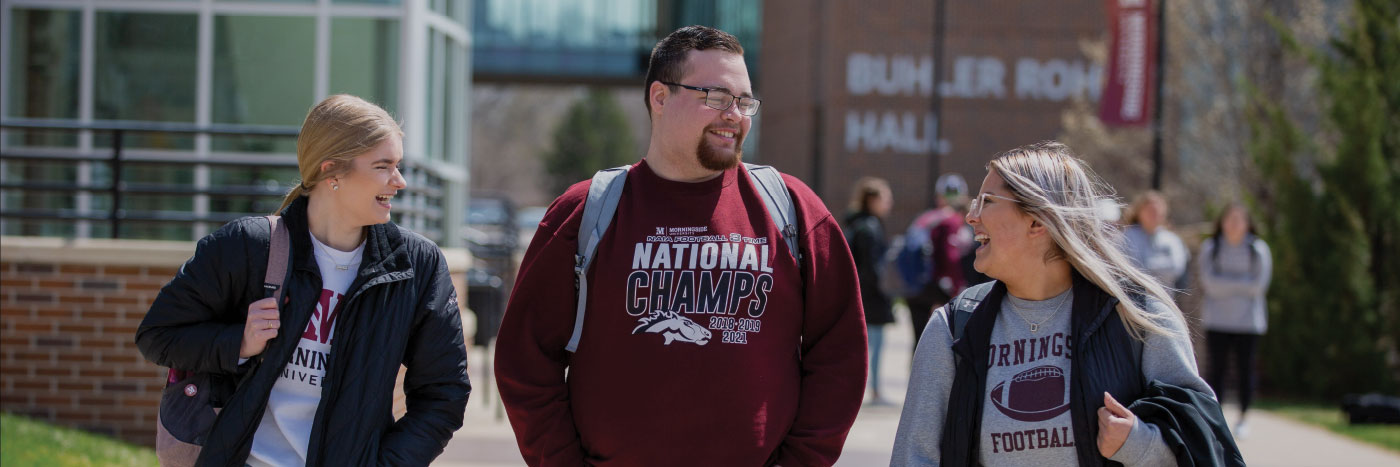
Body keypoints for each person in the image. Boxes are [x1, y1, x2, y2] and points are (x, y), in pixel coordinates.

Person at [494, 25, 867, 466]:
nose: (735, 114)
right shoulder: (585, 212)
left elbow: (840, 354)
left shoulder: (793, 210)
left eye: (745, 102)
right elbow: (525, 360)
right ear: (660, 97)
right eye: (715, 97)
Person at [135, 95, 471, 465]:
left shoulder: (416, 266)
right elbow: (157, 335)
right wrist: (239, 343)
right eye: (383, 166)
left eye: (398, 165)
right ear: (332, 172)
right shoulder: (248, 247)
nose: (400, 180)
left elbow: (444, 393)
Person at [892, 141, 1238, 466]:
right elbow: (914, 457)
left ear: (1037, 221)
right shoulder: (954, 328)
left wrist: (1138, 442)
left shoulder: (1136, 315)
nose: (971, 217)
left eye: (987, 201)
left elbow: (1202, 439)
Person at [1198, 203, 1272, 438]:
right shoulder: (1211, 248)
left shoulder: (1258, 250)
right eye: (1230, 218)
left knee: (1245, 371)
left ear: (1248, 223)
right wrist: (1242, 284)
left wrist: (1225, 283)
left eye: (1239, 219)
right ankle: (1215, 417)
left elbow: (1258, 287)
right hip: (1217, 321)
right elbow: (1209, 284)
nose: (1234, 224)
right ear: (1221, 222)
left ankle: (1243, 418)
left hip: (1248, 323)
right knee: (1215, 372)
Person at [904, 174, 973, 345]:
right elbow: (950, 257)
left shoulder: (923, 219)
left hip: (913, 285)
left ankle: (914, 371)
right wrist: (958, 287)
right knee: (939, 341)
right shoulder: (951, 220)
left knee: (918, 340)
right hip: (936, 287)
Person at [845, 176, 895, 404]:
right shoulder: (870, 227)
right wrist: (884, 291)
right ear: (872, 200)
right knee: (874, 343)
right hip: (872, 296)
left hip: (857, 293)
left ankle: (860, 388)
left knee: (861, 344)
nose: (889, 204)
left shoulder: (856, 224)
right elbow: (872, 266)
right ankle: (873, 389)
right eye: (885, 199)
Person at [1123, 191, 1189, 291]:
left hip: (1163, 296)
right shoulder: (1127, 236)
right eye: (1150, 210)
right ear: (1139, 212)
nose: (1154, 214)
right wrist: (1160, 267)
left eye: (1157, 211)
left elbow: (1176, 268)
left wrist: (1147, 265)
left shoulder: (1172, 239)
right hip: (1134, 295)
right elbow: (1130, 268)